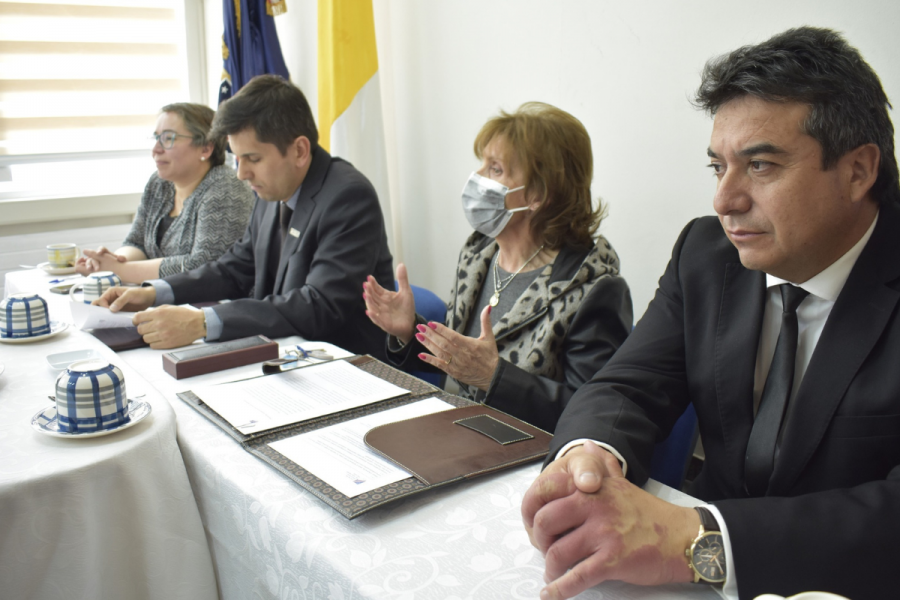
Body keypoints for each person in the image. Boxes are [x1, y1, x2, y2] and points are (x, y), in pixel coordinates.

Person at [521, 27, 900, 600]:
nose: (725, 200)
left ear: (858, 170)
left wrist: (698, 539)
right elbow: (627, 385)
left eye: (762, 166)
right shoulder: (707, 255)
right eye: (717, 168)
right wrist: (587, 456)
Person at [363, 102, 633, 432]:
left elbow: (592, 412)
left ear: (538, 194)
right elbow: (463, 362)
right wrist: (409, 330)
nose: (476, 178)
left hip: (529, 458)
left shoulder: (594, 288)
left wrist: (495, 378)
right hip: (456, 430)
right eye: (483, 164)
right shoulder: (479, 252)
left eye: (495, 169)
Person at [96, 75, 394, 356]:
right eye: (237, 159)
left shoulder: (347, 196)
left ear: (300, 150)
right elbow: (236, 268)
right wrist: (154, 293)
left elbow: (320, 305)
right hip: (281, 352)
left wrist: (200, 321)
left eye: (253, 159)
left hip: (344, 366)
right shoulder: (271, 188)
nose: (240, 174)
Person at [75, 103, 254, 283]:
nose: (156, 150)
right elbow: (136, 243)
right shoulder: (159, 183)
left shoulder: (227, 187)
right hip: (164, 300)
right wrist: (107, 262)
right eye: (156, 138)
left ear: (205, 148)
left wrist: (120, 270)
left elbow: (204, 267)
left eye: (168, 138)